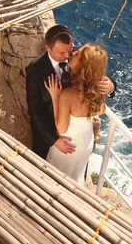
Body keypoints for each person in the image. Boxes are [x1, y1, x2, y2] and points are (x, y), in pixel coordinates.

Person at [25, 24, 115, 159]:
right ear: (48, 47)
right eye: (62, 53)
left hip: (77, 134)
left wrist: (111, 86)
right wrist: (54, 140)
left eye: (71, 49)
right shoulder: (35, 70)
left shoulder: (80, 55)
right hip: (50, 134)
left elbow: (95, 71)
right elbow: (35, 111)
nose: (68, 55)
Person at [44, 43, 108, 185]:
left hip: (67, 146)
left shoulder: (68, 95)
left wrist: (55, 97)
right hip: (85, 143)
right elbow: (102, 110)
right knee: (75, 178)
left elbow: (61, 128)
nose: (73, 53)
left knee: (54, 181)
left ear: (83, 65)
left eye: (78, 54)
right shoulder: (97, 90)